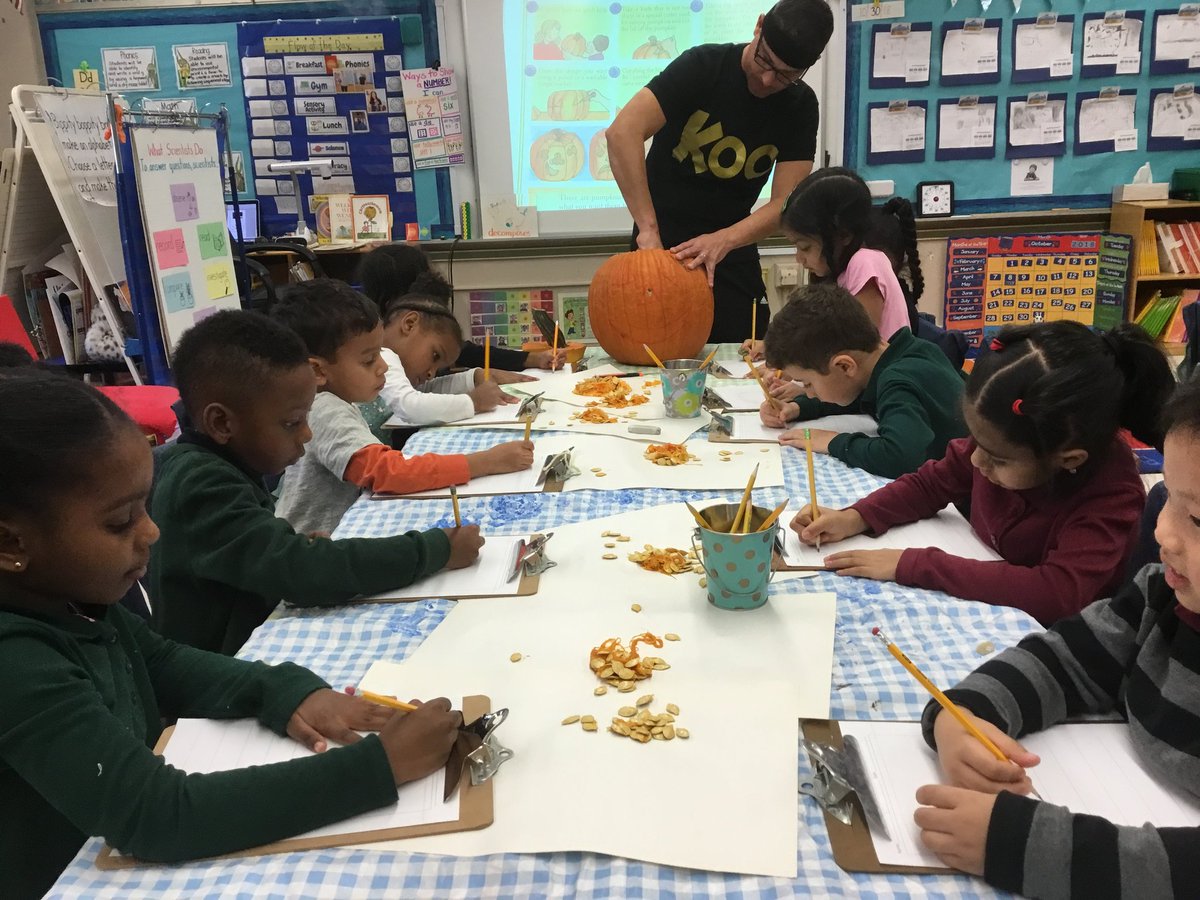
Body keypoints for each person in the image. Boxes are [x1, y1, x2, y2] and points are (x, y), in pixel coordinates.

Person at [0, 370, 463, 900]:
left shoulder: (67, 598)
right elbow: (157, 815)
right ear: (10, 541)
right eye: (120, 521)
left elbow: (161, 662)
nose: (151, 532)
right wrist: (379, 767)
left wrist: (284, 691)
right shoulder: (13, 659)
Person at [912, 377, 1200, 896]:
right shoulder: (1163, 596)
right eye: (1167, 500)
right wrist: (962, 717)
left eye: (1198, 517)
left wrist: (1024, 846)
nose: (1161, 533)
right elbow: (1066, 660)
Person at [793, 321, 1176, 624]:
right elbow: (932, 482)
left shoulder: (1111, 496)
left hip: (1058, 634)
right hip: (997, 590)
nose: (976, 462)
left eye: (997, 458)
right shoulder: (1004, 445)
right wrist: (855, 516)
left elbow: (1056, 594)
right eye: (976, 443)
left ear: (1069, 459)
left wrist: (914, 563)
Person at [149, 310, 484, 654]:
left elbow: (253, 557)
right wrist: (434, 550)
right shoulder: (201, 485)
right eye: (293, 423)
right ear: (221, 423)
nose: (307, 434)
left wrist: (286, 547)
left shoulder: (222, 464)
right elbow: (304, 572)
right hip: (219, 672)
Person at [605, 0, 834, 343]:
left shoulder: (799, 108)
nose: (768, 79)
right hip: (661, 247)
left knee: (749, 358)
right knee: (651, 356)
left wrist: (724, 241)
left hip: (733, 247)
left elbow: (787, 202)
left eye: (787, 74)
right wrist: (648, 231)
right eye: (764, 60)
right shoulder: (703, 67)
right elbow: (622, 132)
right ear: (758, 26)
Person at [272, 281, 534, 535]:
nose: (384, 367)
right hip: (315, 549)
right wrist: (486, 461)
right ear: (318, 370)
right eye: (369, 360)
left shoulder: (335, 400)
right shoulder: (325, 410)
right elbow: (388, 473)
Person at [760, 283, 966, 478]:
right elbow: (858, 397)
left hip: (967, 501)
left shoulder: (898, 381)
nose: (810, 392)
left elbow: (901, 457)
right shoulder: (897, 355)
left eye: (808, 383)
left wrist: (832, 441)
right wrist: (798, 408)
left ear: (844, 366)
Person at [357, 243, 565, 374]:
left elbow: (468, 353)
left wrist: (531, 359)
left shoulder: (413, 339)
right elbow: (412, 404)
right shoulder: (376, 360)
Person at [780, 167, 913, 341]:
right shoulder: (839, 272)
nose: (799, 258)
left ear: (844, 235)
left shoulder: (864, 264)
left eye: (805, 247)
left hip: (885, 368)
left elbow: (857, 347)